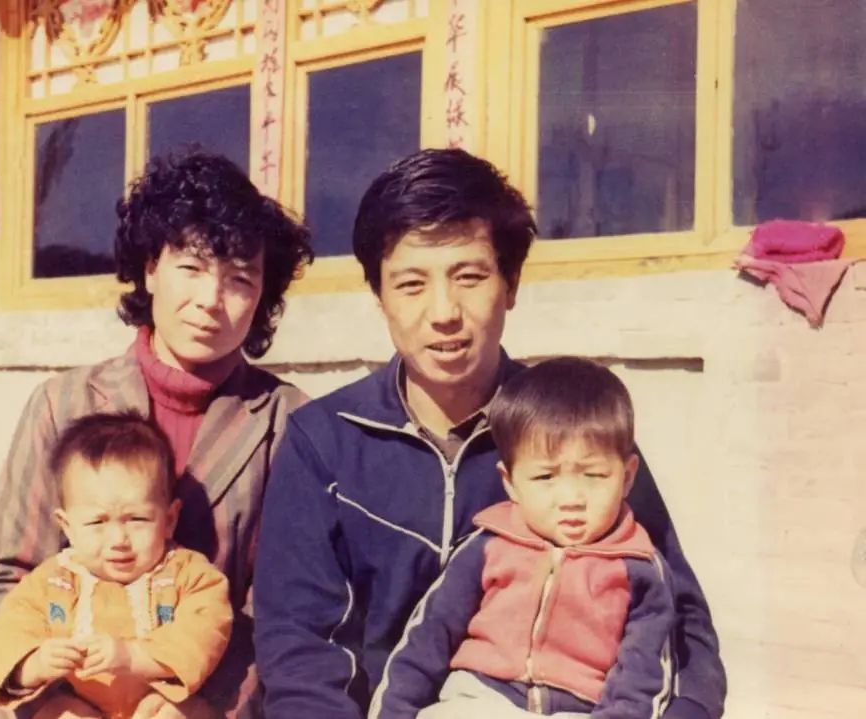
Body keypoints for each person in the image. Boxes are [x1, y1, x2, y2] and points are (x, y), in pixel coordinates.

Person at [252, 148, 725, 719]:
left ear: (511, 283)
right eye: (411, 284)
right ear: (379, 297)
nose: (444, 312)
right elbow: (299, 649)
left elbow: (684, 634)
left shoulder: (572, 431)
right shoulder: (324, 441)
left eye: (469, 277)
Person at [0, 150, 313, 719]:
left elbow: (286, 609)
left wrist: (202, 706)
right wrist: (50, 704)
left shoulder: (291, 424)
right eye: (192, 268)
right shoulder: (62, 404)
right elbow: (5, 578)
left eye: (239, 279)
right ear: (151, 267)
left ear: (262, 296)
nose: (210, 300)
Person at [371, 357, 678, 719]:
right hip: (479, 698)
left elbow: (642, 677)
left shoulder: (639, 566)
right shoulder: (488, 546)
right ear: (510, 483)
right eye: (545, 477)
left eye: (594, 475)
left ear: (626, 477)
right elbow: (427, 638)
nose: (571, 499)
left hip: (580, 708)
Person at [0, 412, 233, 718]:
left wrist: (135, 657)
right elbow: (7, 631)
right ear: (67, 526)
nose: (118, 540)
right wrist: (34, 664)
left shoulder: (189, 575)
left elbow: (206, 630)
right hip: (78, 705)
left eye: (137, 519)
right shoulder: (52, 581)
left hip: (158, 702)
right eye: (97, 523)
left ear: (169, 519)